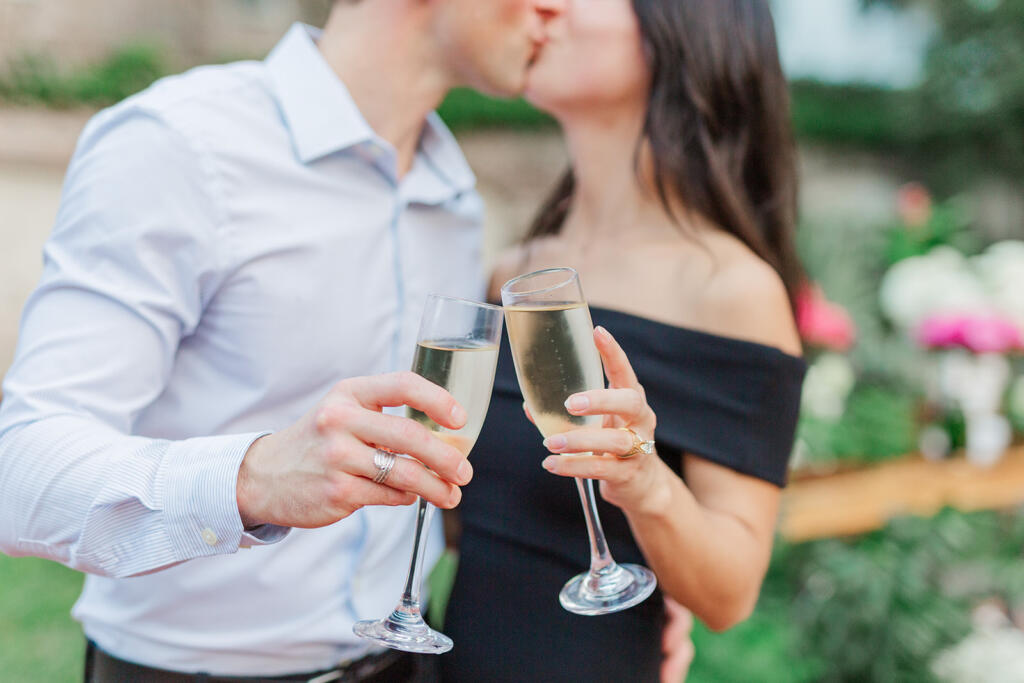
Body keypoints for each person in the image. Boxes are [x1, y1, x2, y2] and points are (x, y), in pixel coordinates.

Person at [0, 1, 568, 680]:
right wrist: (252, 477)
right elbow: (20, 474)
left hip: (406, 664)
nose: (557, 10)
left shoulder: (455, 200)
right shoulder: (179, 144)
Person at [441, 0, 807, 681]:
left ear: (683, 29)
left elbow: (729, 593)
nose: (544, 7)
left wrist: (644, 481)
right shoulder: (511, 272)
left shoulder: (731, 290)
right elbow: (471, 523)